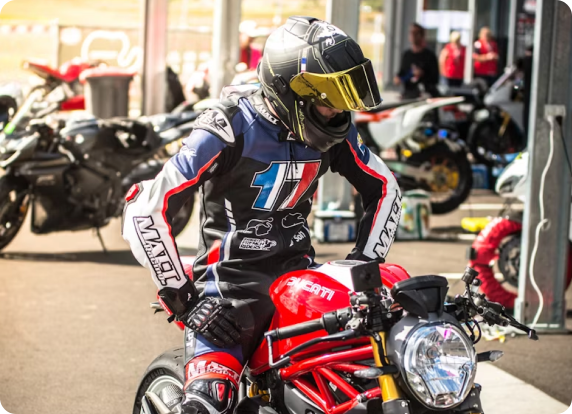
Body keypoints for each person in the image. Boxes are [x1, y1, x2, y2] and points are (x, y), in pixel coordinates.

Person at [122, 16, 402, 414]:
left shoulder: (333, 131)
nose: (338, 111)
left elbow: (386, 188)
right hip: (227, 294)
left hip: (301, 286)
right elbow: (144, 209)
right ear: (290, 89)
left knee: (369, 378)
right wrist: (185, 300)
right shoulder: (229, 125)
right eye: (329, 99)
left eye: (343, 99)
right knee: (206, 404)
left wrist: (361, 268)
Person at [394, 23, 440, 99]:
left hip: (425, 95)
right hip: (409, 95)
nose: (413, 35)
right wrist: (398, 78)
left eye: (416, 33)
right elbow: (402, 72)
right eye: (411, 32)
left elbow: (435, 79)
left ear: (422, 36)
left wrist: (422, 74)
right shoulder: (406, 55)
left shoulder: (430, 56)